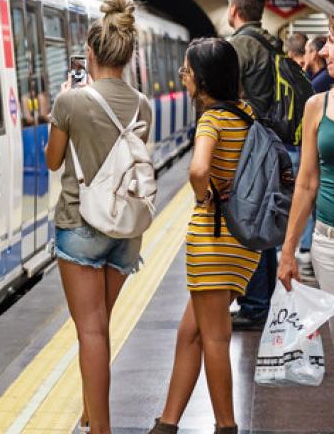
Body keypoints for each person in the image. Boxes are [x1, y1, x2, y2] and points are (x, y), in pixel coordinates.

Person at [44, 0, 151, 434]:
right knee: (102, 324)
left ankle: (100, 429)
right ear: (128, 55)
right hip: (126, 229)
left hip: (80, 224)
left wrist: (64, 104)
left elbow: (52, 161)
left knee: (90, 331)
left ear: (90, 52)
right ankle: (90, 410)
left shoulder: (71, 102)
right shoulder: (143, 104)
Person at [148, 38, 257, 434]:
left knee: (214, 336)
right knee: (189, 332)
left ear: (203, 78)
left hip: (214, 238)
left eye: (186, 71)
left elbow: (198, 170)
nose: (183, 77)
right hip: (243, 241)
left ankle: (226, 426)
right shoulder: (246, 114)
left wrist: (205, 193)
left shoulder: (211, 120)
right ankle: (168, 422)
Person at [278, 5, 334, 434]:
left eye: (332, 41)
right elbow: (307, 183)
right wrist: (289, 251)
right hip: (331, 245)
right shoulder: (318, 105)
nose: (323, 49)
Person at [226, 0, 281, 330]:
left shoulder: (239, 46)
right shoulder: (272, 43)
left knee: (252, 221)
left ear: (234, 10)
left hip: (251, 142)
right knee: (266, 221)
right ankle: (264, 299)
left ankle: (256, 304)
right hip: (273, 138)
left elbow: (227, 95)